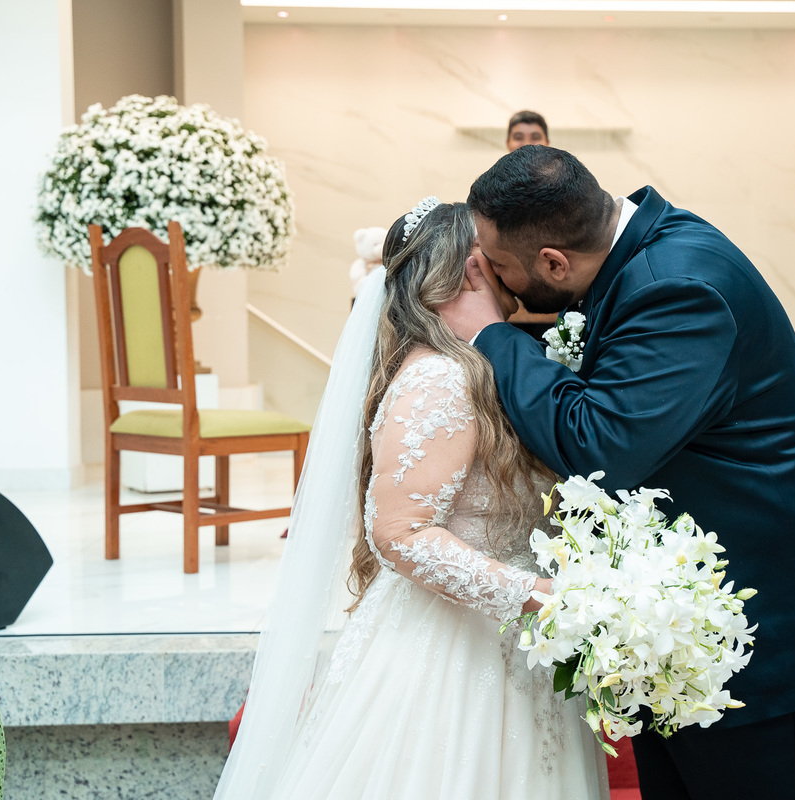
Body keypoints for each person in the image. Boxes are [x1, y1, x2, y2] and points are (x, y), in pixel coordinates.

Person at [439, 146, 795, 800]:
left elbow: (602, 444)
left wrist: (491, 335)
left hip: (770, 638)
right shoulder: (639, 256)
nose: (496, 285)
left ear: (554, 262)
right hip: (686, 629)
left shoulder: (678, 287)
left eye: (501, 267)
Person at [215, 197, 607, 800]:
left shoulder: (485, 365)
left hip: (511, 642)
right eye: (491, 257)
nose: (508, 268)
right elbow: (400, 533)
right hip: (449, 655)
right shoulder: (440, 378)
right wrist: (539, 597)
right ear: (462, 271)